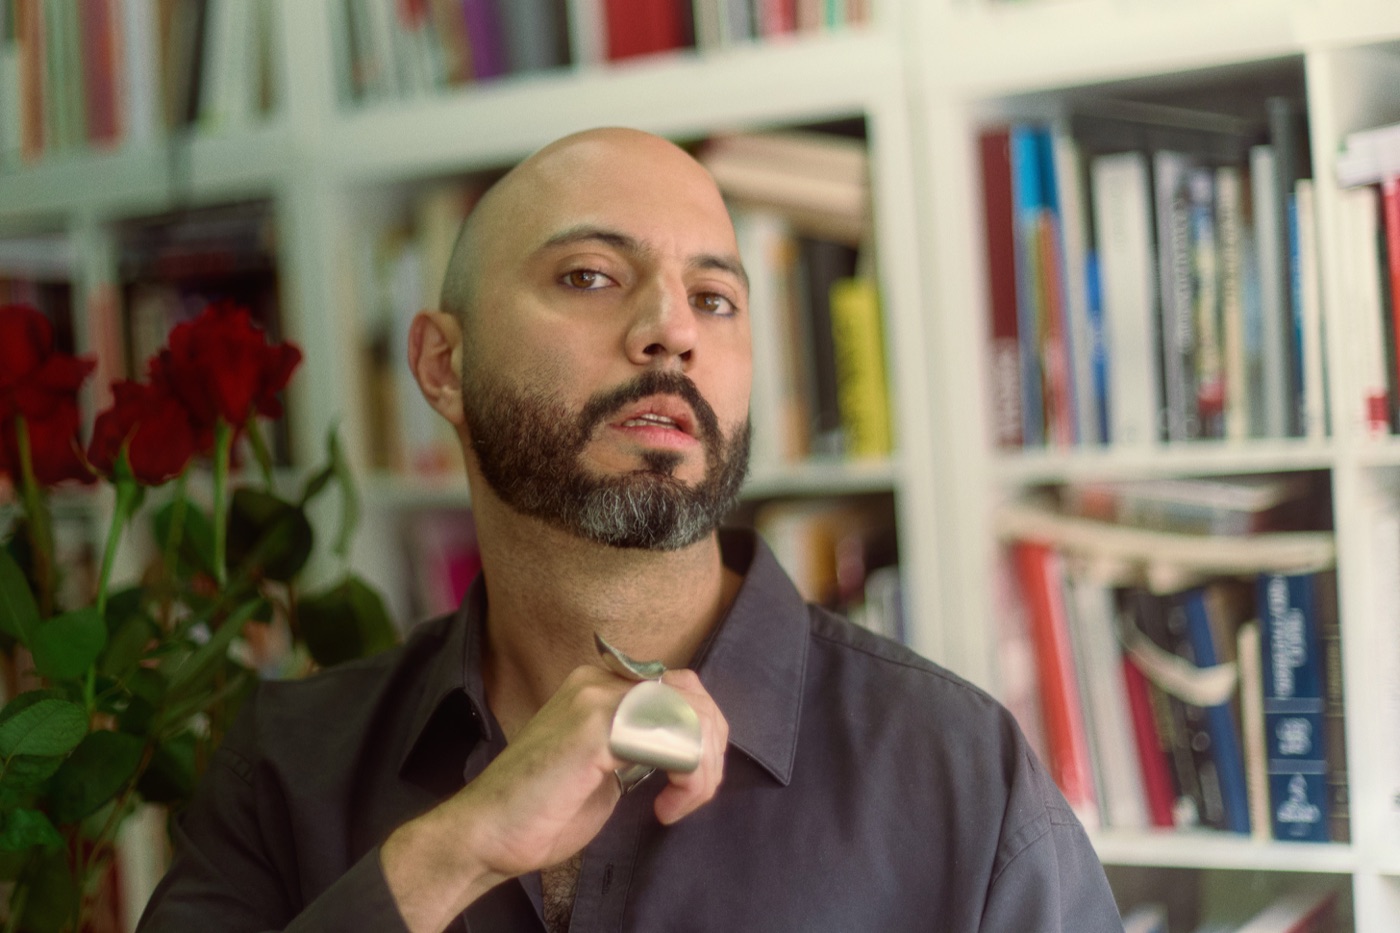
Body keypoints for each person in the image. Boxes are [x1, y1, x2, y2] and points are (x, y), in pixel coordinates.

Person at [138, 127, 1122, 932]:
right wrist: (451, 853)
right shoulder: (285, 767)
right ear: (442, 365)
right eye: (590, 276)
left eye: (714, 298)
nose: (671, 330)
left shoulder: (960, 781)